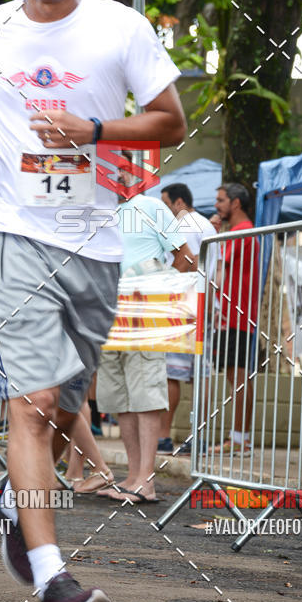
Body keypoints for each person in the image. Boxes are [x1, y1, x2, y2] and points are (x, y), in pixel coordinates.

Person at [0, 0, 186, 602]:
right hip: (10, 229)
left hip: (95, 243)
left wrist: (96, 129)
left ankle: (16, 495)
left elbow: (169, 117)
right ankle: (54, 583)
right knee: (34, 404)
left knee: (68, 406)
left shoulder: (121, 27)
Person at [96, 158, 195, 501]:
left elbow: (185, 256)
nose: (112, 177)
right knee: (121, 396)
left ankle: (145, 480)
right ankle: (133, 477)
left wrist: (162, 297)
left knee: (145, 392)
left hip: (144, 314)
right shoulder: (99, 214)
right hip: (110, 315)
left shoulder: (151, 206)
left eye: (118, 171)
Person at [158, 183, 216, 454]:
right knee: (200, 375)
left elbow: (185, 260)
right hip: (204, 305)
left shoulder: (184, 225)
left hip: (184, 305)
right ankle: (198, 437)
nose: (166, 211)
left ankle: (163, 437)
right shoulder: (206, 224)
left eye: (167, 205)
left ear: (179, 202)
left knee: (172, 375)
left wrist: (161, 283)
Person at [213, 183, 260, 454]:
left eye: (221, 200)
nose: (217, 205)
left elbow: (218, 270)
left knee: (238, 377)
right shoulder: (241, 233)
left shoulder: (240, 233)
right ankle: (240, 438)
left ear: (236, 203)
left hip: (235, 318)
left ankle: (240, 439)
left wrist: (213, 233)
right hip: (236, 317)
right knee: (238, 377)